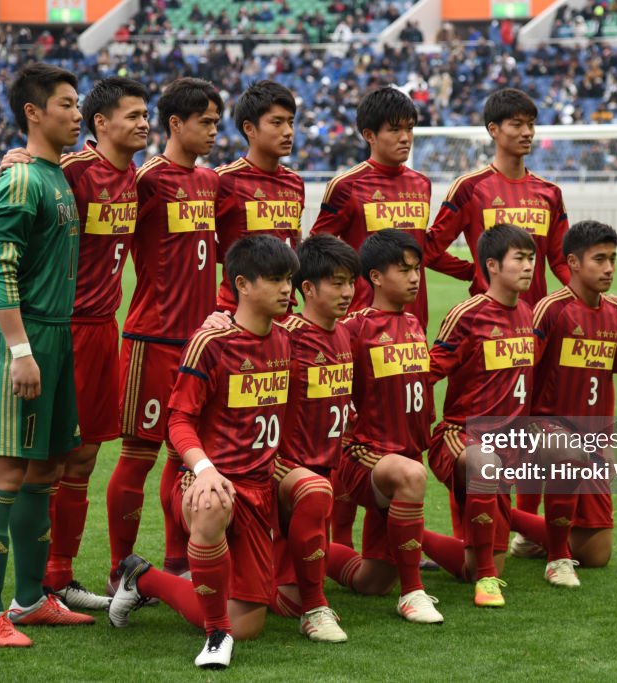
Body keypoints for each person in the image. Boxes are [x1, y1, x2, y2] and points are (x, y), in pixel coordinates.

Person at [0, 77, 152, 608]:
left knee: (84, 456)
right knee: (50, 460)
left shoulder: (135, 177)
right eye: (132, 115)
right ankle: (38, 580)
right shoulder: (72, 173)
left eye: (146, 114)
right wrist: (13, 163)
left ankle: (59, 577)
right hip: (64, 330)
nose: (143, 123)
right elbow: (31, 181)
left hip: (104, 329)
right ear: (100, 122)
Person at [118, 235, 299, 670]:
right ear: (242, 284)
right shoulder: (210, 341)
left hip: (258, 489)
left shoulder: (285, 341)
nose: (286, 289)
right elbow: (178, 421)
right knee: (213, 503)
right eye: (275, 279)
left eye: (289, 279)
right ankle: (216, 634)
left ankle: (144, 579)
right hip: (205, 481)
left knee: (251, 626)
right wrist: (203, 469)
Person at [0, 62, 92, 648]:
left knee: (47, 471)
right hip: (26, 341)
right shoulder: (22, 178)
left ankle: (28, 600)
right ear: (33, 114)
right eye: (67, 104)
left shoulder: (55, 174)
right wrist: (20, 349)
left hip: (59, 337)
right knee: (6, 471)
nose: (77, 114)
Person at [309, 85, 462, 553]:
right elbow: (318, 251)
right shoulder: (347, 185)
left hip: (409, 327)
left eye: (409, 129)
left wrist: (475, 274)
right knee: (352, 436)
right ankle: (338, 545)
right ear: (368, 134)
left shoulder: (420, 183)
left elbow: (425, 251)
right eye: (394, 130)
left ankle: (390, 548)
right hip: (357, 330)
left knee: (403, 433)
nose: (405, 138)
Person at [107, 78, 224, 594]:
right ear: (175, 124)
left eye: (218, 123)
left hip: (196, 343)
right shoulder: (147, 180)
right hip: (152, 340)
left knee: (184, 455)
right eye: (206, 122)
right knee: (139, 454)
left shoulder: (209, 181)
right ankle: (119, 570)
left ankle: (176, 560)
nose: (214, 132)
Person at [421, 224, 547, 607]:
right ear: (492, 265)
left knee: (473, 564)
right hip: (463, 436)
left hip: (508, 446)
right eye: (519, 259)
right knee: (485, 462)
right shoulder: (468, 314)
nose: (529, 266)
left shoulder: (527, 312)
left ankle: (406, 532)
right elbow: (428, 372)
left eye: (531, 258)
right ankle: (488, 582)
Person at [324, 229, 444, 625]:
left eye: (417, 269)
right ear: (375, 276)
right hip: (365, 456)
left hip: (402, 456)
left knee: (373, 581)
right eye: (403, 270)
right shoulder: (354, 327)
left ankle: (300, 551)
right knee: (411, 475)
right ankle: (413, 594)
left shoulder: (411, 323)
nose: (414, 278)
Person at [268, 234, 359, 642]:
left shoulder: (343, 334)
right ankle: (314, 605)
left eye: (351, 282)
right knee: (283, 601)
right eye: (337, 282)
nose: (347, 292)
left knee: (377, 576)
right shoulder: (286, 336)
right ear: (307, 288)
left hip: (326, 466)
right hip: (285, 472)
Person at [530, 219, 617, 587]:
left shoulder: (616, 315)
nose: (608, 269)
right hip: (542, 427)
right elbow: (523, 374)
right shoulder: (551, 310)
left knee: (597, 556)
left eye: (613, 259)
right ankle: (555, 558)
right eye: (599, 259)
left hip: (591, 436)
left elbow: (604, 384)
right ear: (572, 262)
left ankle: (530, 533)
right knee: (568, 454)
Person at [423, 88, 570, 309]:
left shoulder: (550, 193)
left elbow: (561, 261)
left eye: (530, 124)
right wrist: (472, 272)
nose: (527, 132)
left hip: (534, 322)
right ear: (494, 129)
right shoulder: (469, 188)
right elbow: (429, 250)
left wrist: (594, 298)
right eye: (517, 124)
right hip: (485, 321)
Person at [214, 80, 304, 314]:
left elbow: (294, 240)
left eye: (291, 122)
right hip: (236, 314)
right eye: (277, 122)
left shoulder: (295, 183)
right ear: (249, 128)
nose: (288, 131)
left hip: (285, 316)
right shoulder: (222, 181)